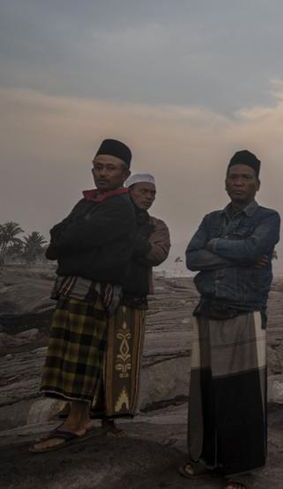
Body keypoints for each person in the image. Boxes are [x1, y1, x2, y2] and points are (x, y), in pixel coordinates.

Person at [180, 150, 281, 489]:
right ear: (225, 181)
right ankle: (207, 457)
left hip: (243, 311)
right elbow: (192, 258)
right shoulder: (211, 218)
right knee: (208, 391)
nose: (238, 182)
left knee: (241, 394)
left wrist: (217, 246)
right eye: (233, 177)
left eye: (245, 177)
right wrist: (234, 253)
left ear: (257, 183)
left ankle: (240, 468)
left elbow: (254, 251)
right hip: (208, 311)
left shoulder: (268, 218)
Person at [30, 139, 136, 453]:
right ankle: (77, 416)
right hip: (76, 291)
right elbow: (59, 234)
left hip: (92, 294)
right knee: (69, 356)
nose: (102, 174)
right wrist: (67, 246)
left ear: (125, 173)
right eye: (98, 167)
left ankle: (77, 422)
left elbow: (75, 241)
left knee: (81, 358)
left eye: (110, 168)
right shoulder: (87, 203)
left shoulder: (119, 206)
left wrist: (67, 253)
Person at [94, 173, 171, 433]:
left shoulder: (157, 225)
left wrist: (126, 238)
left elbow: (158, 254)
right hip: (99, 295)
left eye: (153, 193)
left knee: (123, 360)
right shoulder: (109, 215)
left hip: (132, 298)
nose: (149, 197)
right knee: (93, 355)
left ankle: (111, 417)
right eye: (144, 191)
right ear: (129, 190)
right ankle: (80, 415)